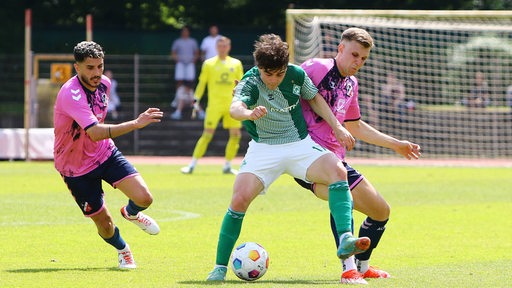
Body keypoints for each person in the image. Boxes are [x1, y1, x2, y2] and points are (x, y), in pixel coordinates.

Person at [206, 34, 371, 281]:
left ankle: (346, 238)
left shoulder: (296, 74)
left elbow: (315, 99)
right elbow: (234, 108)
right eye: (267, 74)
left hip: (299, 145)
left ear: (286, 68)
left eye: (278, 74)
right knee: (239, 199)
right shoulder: (250, 81)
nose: (273, 80)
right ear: (259, 67)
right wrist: (249, 113)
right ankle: (219, 268)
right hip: (264, 149)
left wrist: (336, 126)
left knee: (339, 172)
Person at [295, 27, 421, 284]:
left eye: (363, 58)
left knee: (380, 211)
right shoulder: (315, 68)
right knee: (343, 200)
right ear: (340, 49)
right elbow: (283, 83)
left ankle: (362, 266)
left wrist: (395, 144)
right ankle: (348, 269)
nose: (358, 62)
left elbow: (354, 125)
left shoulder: (352, 84)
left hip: (336, 159)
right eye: (354, 55)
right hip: (308, 157)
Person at [53, 41, 162, 269]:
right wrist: (136, 123)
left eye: (100, 66)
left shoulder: (105, 84)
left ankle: (131, 213)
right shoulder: (71, 94)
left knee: (145, 198)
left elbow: (99, 132)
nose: (96, 73)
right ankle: (123, 250)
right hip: (75, 168)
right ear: (77, 67)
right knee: (105, 224)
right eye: (90, 68)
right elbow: (94, 132)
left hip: (104, 152)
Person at [181, 36, 244, 175]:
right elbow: (202, 83)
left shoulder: (236, 63)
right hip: (214, 105)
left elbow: (241, 84)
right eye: (220, 46)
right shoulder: (208, 64)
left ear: (229, 47)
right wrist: (196, 100)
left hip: (232, 105)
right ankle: (192, 165)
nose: (222, 48)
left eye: (225, 45)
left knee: (235, 134)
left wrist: (244, 100)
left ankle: (228, 165)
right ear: (216, 47)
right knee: (207, 134)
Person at [170, 26, 200, 120]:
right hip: (180, 64)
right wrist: (178, 60)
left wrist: (193, 61)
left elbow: (196, 52)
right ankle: (177, 102)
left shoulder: (193, 41)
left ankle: (199, 111)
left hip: (192, 101)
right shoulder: (177, 41)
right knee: (180, 85)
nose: (185, 32)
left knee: (190, 89)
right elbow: (173, 53)